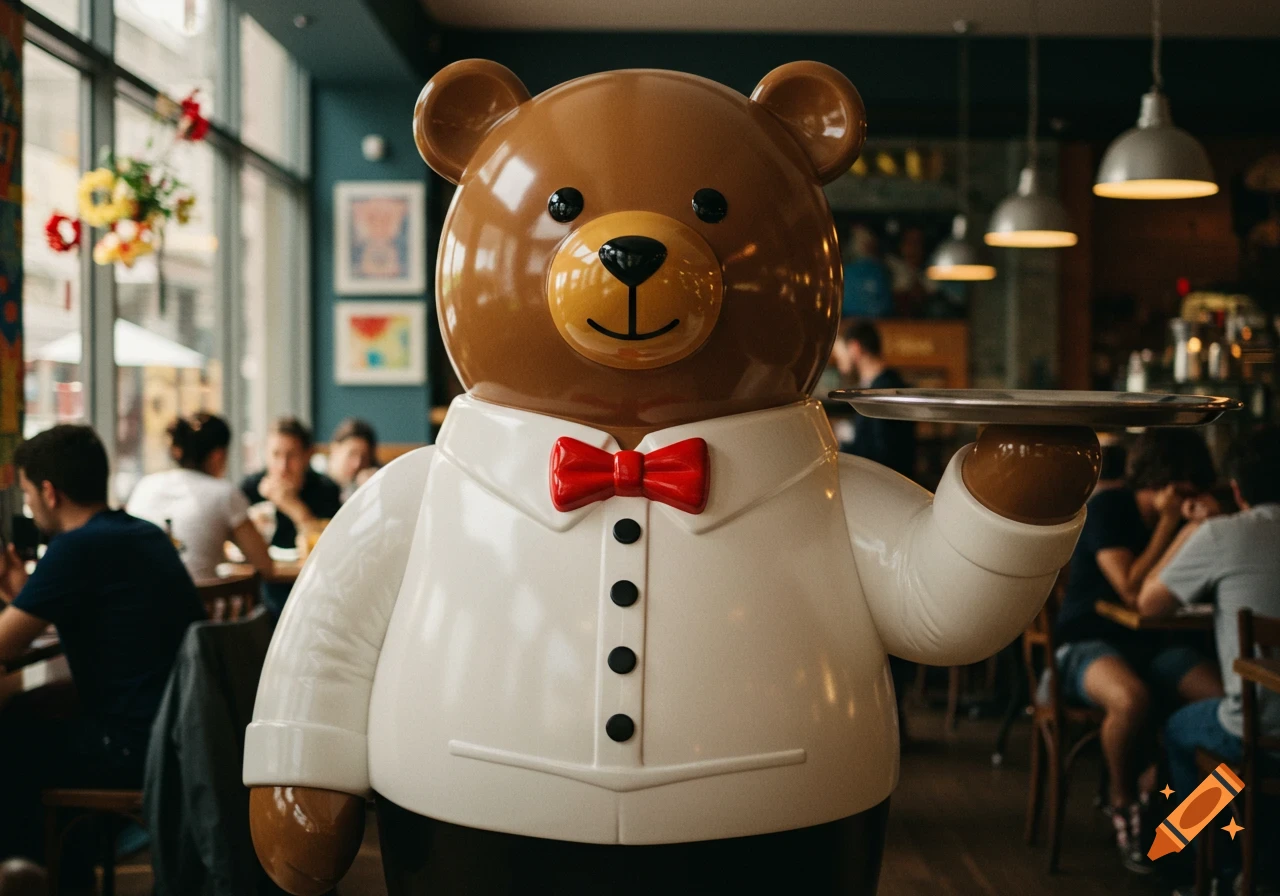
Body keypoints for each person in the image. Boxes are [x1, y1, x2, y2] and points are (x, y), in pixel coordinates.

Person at [0, 425, 204, 866]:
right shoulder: (142, 533)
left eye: (29, 494)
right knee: (26, 710)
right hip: (179, 732)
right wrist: (26, 594)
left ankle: (29, 875)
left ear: (50, 492)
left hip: (131, 747)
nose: (29, 505)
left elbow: (3, 645)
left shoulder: (74, 549)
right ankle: (65, 869)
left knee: (11, 737)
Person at [1053, 429, 1223, 872]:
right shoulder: (1109, 507)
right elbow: (1131, 591)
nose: (1194, 496)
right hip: (1087, 643)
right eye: (1187, 487)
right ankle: (1123, 802)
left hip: (1157, 644)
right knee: (1132, 700)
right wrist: (1172, 524)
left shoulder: (1191, 517)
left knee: (1227, 705)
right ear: (1164, 481)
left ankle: (1184, 824)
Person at [1138, 427, 1280, 890]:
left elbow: (1149, 604)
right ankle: (1258, 856)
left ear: (1237, 488)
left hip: (1257, 727)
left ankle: (1209, 866)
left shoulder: (1224, 533)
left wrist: (1198, 526)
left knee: (1182, 731)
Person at [127, 413, 275, 582]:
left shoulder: (145, 485)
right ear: (218, 455)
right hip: (199, 605)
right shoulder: (224, 493)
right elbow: (265, 566)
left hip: (139, 604)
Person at [241, 417, 341, 615]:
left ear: (307, 456)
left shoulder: (326, 490)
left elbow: (330, 551)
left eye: (291, 456)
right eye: (275, 455)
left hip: (311, 587)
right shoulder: (251, 489)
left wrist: (293, 506)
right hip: (262, 586)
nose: (282, 466)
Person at [832, 320, 917, 481]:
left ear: (855, 348)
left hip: (887, 485)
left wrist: (841, 445)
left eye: (840, 352)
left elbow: (883, 455)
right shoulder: (885, 384)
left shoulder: (883, 389)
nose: (838, 360)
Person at [328, 418, 379, 502]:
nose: (357, 464)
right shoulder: (310, 481)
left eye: (364, 457)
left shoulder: (369, 480)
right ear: (334, 448)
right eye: (352, 454)